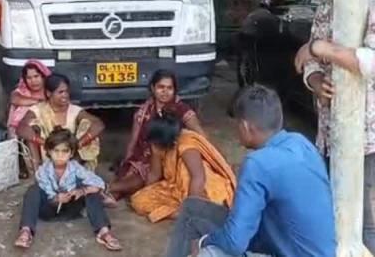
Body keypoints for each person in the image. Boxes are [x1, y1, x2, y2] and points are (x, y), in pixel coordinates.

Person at [165, 85, 335, 257]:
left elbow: (234, 243)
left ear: (246, 127)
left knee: (208, 253)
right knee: (192, 208)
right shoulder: (302, 143)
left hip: (285, 250)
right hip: (306, 246)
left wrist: (203, 241)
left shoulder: (257, 163)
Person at [292, 0, 375, 253]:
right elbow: (308, 63)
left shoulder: (371, 0)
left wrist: (319, 49)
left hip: (366, 138)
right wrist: (314, 80)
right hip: (329, 134)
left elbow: (371, 61)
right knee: (332, 214)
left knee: (360, 221)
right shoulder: (326, 5)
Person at [14, 127, 122, 252]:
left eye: (65, 151)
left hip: (72, 209)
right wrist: (56, 198)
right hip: (49, 211)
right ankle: (26, 231)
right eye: (56, 151)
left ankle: (103, 231)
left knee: (90, 190)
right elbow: (49, 197)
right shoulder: (43, 171)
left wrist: (82, 191)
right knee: (33, 190)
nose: (60, 155)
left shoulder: (75, 168)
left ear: (71, 153)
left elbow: (99, 183)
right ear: (49, 151)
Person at [111, 69, 206, 200]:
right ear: (153, 88)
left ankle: (103, 189)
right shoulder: (143, 111)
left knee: (137, 181)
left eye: (169, 88)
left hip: (167, 160)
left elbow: (200, 135)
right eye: (161, 87)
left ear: (174, 90)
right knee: (125, 180)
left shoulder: (182, 109)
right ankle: (103, 194)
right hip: (142, 158)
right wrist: (127, 161)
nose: (165, 92)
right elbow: (133, 141)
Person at [129, 113, 235, 224]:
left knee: (185, 171)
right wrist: (147, 191)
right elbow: (154, 175)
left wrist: (192, 208)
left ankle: (195, 211)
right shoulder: (159, 143)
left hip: (202, 189)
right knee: (138, 201)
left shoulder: (186, 144)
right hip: (176, 189)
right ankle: (182, 213)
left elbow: (198, 177)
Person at [16, 73, 105, 171]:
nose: (65, 95)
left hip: (71, 156)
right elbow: (21, 128)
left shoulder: (75, 110)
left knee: (88, 125)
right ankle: (37, 173)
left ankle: (76, 171)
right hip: (47, 156)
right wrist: (45, 143)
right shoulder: (38, 109)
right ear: (49, 93)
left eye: (67, 91)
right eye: (61, 92)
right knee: (31, 127)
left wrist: (79, 143)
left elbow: (98, 124)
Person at [7, 60, 52, 137]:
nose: (33, 81)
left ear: (43, 76)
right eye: (29, 78)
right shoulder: (22, 92)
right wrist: (39, 102)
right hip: (19, 132)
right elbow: (14, 99)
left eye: (36, 76)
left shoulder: (51, 91)